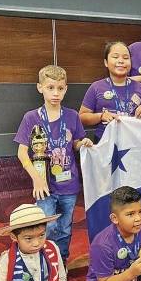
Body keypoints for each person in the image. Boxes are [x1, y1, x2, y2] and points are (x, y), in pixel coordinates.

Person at [14, 65, 93, 263]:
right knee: (46, 226)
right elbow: (22, 152)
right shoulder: (31, 117)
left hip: (69, 184)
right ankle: (45, 263)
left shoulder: (72, 116)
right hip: (45, 186)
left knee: (65, 227)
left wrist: (82, 143)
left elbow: (75, 143)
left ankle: (62, 263)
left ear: (66, 89)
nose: (55, 93)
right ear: (40, 88)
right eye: (50, 88)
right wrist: (36, 180)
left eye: (60, 88)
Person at [79, 41, 141, 144]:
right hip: (104, 143)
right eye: (115, 57)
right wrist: (101, 116)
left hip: (133, 143)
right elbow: (82, 117)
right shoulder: (96, 87)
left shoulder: (140, 88)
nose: (121, 61)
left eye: (125, 58)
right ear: (106, 62)